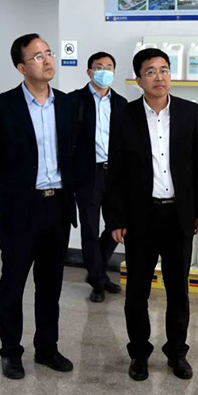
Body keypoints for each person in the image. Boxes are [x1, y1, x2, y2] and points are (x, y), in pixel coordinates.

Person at [107, 48, 198, 382]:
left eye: (164, 70)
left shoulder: (189, 112)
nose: (159, 77)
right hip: (141, 217)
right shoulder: (124, 115)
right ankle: (139, 353)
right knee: (137, 290)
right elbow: (115, 170)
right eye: (150, 71)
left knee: (178, 289)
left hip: (178, 215)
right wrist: (115, 218)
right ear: (139, 80)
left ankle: (177, 352)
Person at [0, 33, 77, 380]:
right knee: (13, 282)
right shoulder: (1, 106)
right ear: (22, 67)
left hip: (57, 207)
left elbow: (76, 154)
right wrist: (16, 193)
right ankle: (10, 351)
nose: (47, 60)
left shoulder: (67, 105)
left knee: (50, 284)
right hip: (22, 210)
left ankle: (47, 348)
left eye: (48, 53)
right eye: (37, 56)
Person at [70, 52, 128, 303]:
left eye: (109, 67)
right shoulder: (74, 101)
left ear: (114, 72)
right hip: (87, 173)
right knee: (90, 229)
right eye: (99, 67)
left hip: (115, 172)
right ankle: (97, 281)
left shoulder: (122, 103)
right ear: (89, 72)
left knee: (117, 226)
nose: (104, 71)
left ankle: (98, 272)